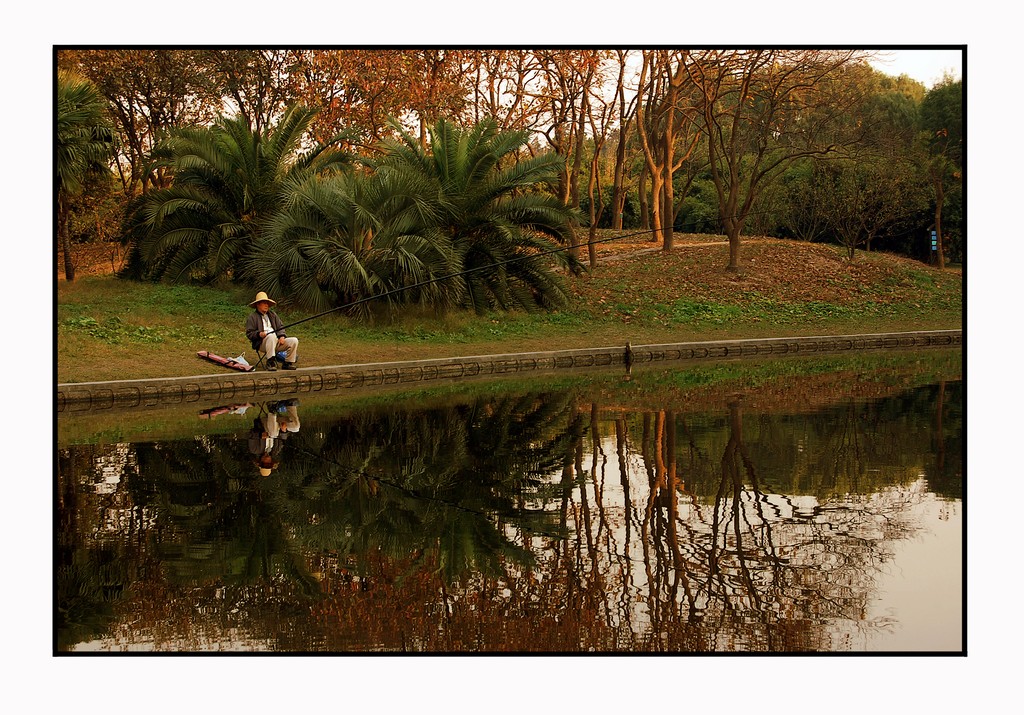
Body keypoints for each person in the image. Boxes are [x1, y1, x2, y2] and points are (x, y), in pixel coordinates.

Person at [244, 291, 299, 371]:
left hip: (276, 341)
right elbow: (249, 333)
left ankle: (287, 363)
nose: (267, 305)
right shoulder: (252, 317)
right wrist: (259, 334)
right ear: (258, 304)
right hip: (262, 343)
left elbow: (280, 326)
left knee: (294, 341)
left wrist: (281, 336)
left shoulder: (273, 315)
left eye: (267, 303)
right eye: (264, 303)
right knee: (271, 336)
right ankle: (270, 362)